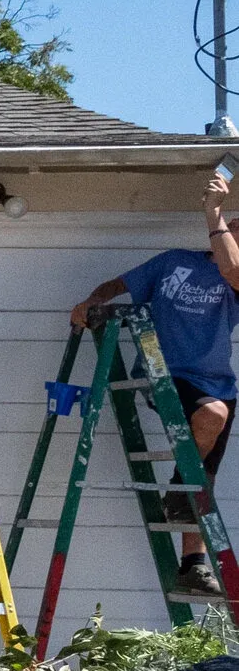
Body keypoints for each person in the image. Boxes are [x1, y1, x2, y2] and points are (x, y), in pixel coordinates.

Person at [69, 171, 239, 594]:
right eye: (235, 226)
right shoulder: (174, 261)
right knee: (208, 427)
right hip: (165, 375)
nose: (233, 231)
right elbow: (121, 282)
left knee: (203, 473)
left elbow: (233, 270)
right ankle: (180, 499)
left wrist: (213, 211)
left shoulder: (234, 279)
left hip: (216, 382)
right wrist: (94, 299)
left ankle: (192, 563)